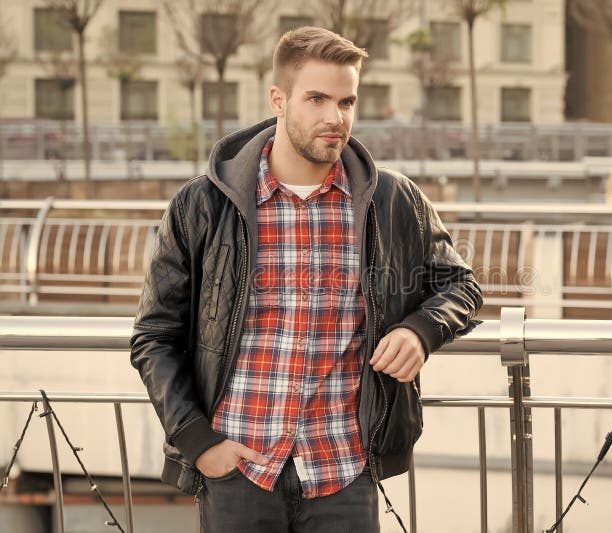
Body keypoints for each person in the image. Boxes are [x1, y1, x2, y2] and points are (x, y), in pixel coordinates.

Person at [130, 26, 482, 533]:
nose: (334, 118)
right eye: (316, 98)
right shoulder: (202, 205)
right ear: (278, 98)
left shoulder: (392, 200)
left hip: (345, 470)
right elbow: (154, 335)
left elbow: (461, 285)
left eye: (346, 101)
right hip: (238, 470)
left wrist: (420, 330)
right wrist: (198, 443)